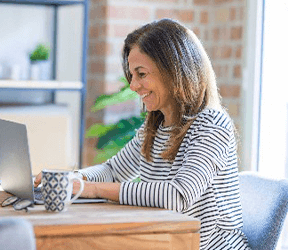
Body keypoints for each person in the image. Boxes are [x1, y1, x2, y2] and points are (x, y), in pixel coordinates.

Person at [34, 19, 250, 250]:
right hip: (166, 242)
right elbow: (113, 171)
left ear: (173, 71)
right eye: (132, 75)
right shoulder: (156, 126)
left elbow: (178, 196)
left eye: (141, 74)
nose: (133, 86)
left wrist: (92, 189)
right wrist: (73, 179)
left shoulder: (211, 125)